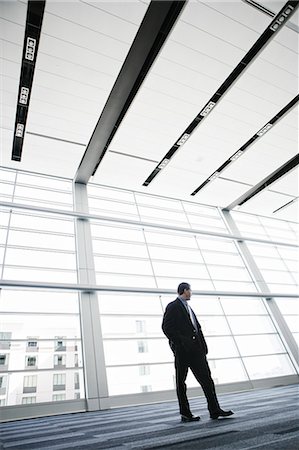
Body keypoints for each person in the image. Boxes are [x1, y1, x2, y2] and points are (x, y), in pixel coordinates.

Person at [162, 282, 234, 423]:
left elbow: (197, 329)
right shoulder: (173, 306)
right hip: (183, 351)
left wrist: (203, 347)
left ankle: (214, 410)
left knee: (207, 380)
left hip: (196, 351)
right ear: (184, 290)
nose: (191, 293)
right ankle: (185, 413)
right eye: (190, 290)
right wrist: (182, 342)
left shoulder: (189, 308)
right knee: (181, 383)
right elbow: (166, 327)